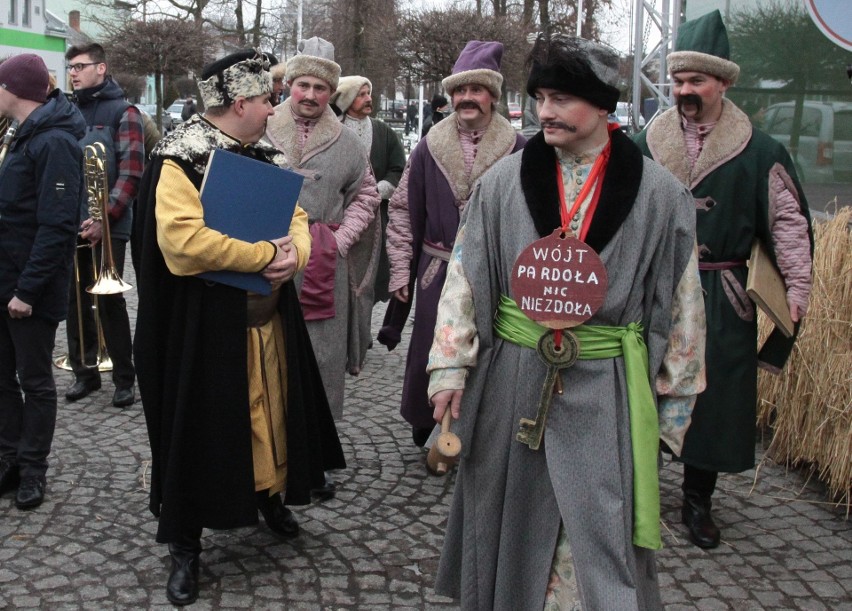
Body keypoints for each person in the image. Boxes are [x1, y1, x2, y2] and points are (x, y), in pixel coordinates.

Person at [429, 36, 706, 608]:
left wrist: (671, 409)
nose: (545, 111)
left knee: (597, 535)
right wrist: (450, 368)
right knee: (509, 520)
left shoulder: (660, 196)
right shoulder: (501, 186)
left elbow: (682, 308)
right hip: (514, 379)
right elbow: (465, 280)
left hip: (608, 387)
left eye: (562, 98)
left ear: (604, 106)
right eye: (540, 97)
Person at [132, 49, 346, 606]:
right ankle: (185, 540)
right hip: (200, 329)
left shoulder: (264, 155)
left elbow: (297, 220)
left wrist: (292, 258)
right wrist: (260, 256)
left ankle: (269, 494)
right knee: (201, 426)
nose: (275, 106)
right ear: (241, 101)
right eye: (268, 98)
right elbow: (180, 246)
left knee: (272, 411)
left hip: (266, 320)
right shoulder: (179, 156)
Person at [634, 10, 813, 549]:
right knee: (640, 385)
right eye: (680, 80)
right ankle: (637, 492)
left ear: (724, 82)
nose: (685, 90)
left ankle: (696, 501)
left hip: (721, 292)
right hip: (655, 289)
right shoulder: (646, 144)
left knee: (711, 399)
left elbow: (788, 225)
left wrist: (796, 291)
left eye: (697, 80)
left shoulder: (761, 150)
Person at [382, 40, 525, 447]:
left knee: (488, 350)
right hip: (436, 269)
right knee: (431, 343)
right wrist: (400, 268)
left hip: (494, 272)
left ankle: (478, 425)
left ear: (492, 95)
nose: (466, 98)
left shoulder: (518, 150)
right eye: (459, 91)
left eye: (475, 90)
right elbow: (403, 210)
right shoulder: (429, 146)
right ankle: (426, 421)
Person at [264, 37, 380, 435]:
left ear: (332, 92)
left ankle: (316, 449)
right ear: (289, 85)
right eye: (303, 85)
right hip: (261, 254)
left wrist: (340, 239)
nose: (311, 95)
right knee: (265, 347)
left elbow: (366, 194)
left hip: (322, 259)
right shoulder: (260, 128)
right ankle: (265, 443)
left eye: (320, 88)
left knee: (321, 355)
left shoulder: (348, 141)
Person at [0, 54, 86, 510]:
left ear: (14, 90)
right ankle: (9, 458)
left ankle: (33, 469)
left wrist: (26, 291)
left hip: (29, 288)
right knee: (1, 379)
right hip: (4, 279)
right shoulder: (21, 133)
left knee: (34, 380)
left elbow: (56, 226)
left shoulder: (53, 142)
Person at [64, 42, 143, 408]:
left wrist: (104, 218)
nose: (74, 73)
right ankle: (85, 372)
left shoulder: (123, 111)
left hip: (108, 224)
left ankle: (124, 377)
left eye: (80, 66)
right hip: (71, 221)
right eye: (71, 67)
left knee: (108, 302)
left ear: (101, 68)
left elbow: (130, 172)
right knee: (75, 301)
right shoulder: (66, 110)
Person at [330, 75, 406, 368]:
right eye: (361, 94)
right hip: (339, 222)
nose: (368, 99)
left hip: (375, 220)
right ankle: (341, 334)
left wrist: (379, 190)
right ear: (348, 99)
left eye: (369, 93)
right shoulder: (333, 131)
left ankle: (361, 334)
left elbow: (399, 168)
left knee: (369, 283)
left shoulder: (384, 131)